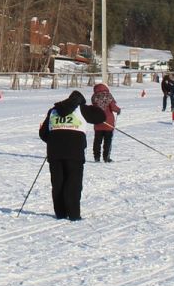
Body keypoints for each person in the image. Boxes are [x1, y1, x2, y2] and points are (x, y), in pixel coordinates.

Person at [38, 90, 93, 220]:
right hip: (74, 151)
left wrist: (54, 140)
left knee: (57, 183)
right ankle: (74, 215)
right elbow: (100, 117)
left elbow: (43, 133)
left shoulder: (53, 111)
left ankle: (60, 213)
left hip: (55, 152)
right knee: (73, 183)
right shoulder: (82, 109)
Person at [88, 82, 119, 162]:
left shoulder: (94, 97)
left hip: (98, 122)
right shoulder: (108, 96)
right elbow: (113, 107)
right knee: (108, 141)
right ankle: (106, 157)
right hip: (109, 123)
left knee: (97, 141)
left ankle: (96, 157)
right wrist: (118, 110)